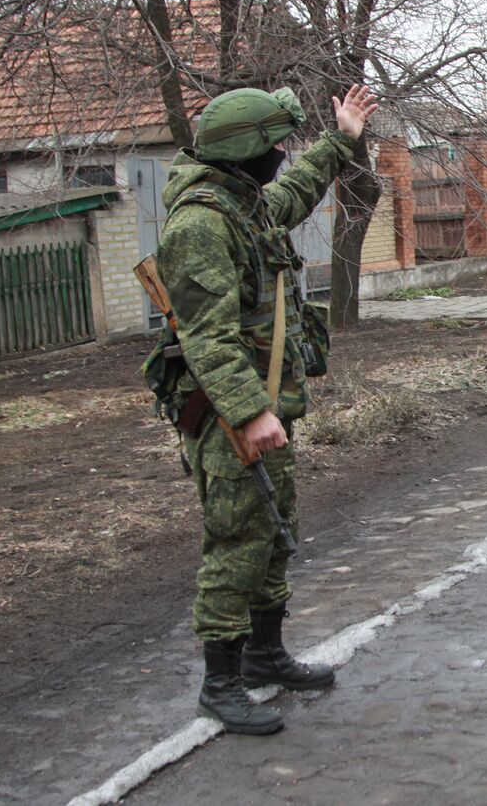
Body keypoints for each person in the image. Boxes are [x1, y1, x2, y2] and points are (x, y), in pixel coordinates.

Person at [156, 83, 379, 734]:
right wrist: (252, 412)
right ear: (243, 152)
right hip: (228, 416)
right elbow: (209, 339)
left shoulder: (241, 203)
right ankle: (219, 682)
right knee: (237, 540)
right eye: (274, 145)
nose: (282, 155)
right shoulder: (200, 223)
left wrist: (341, 139)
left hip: (261, 410)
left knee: (274, 528)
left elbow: (291, 195)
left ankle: (263, 654)